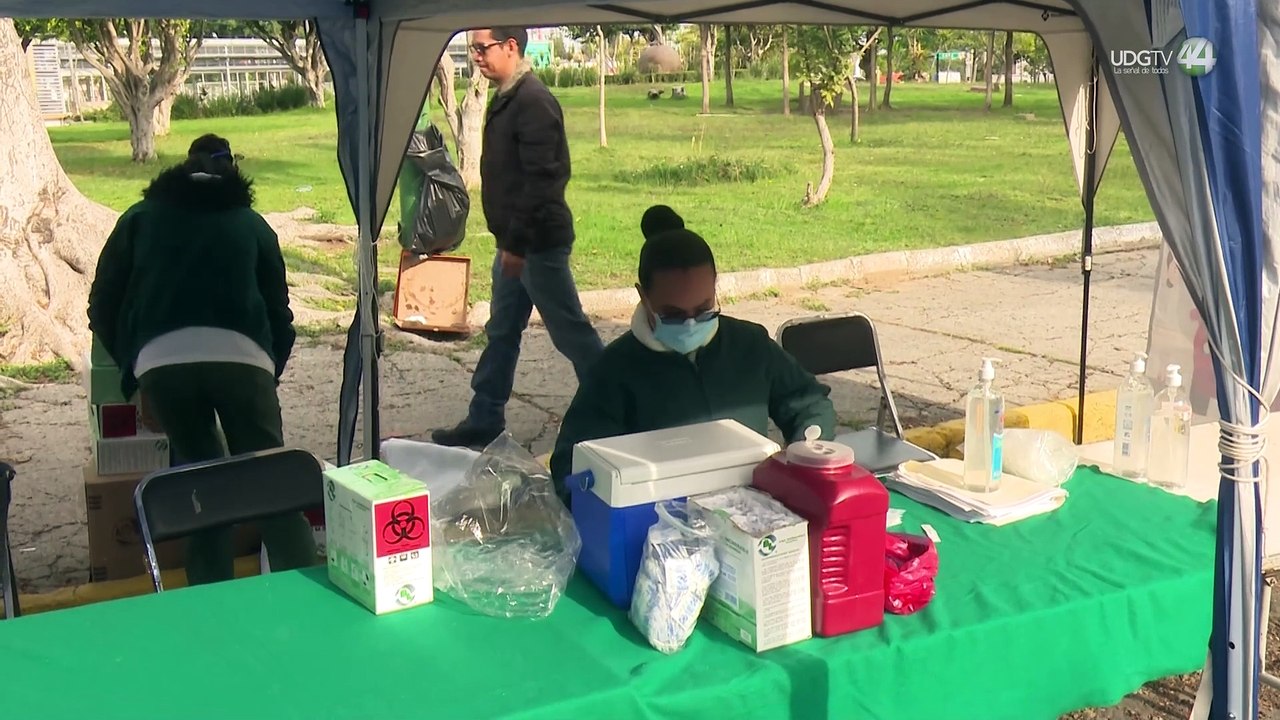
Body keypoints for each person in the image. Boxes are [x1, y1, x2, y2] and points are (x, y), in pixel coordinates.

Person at [87, 134, 317, 585]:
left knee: (201, 482)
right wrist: (268, 372)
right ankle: (303, 589)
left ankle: (208, 600)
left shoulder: (137, 218)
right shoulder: (252, 224)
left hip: (161, 363)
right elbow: (279, 313)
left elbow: (102, 306)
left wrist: (136, 373)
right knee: (270, 482)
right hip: (244, 359)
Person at [549, 207, 837, 489]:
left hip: (753, 507)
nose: (690, 324)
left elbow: (810, 403)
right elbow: (570, 466)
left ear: (715, 286)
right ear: (643, 296)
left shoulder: (750, 345)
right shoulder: (614, 371)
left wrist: (803, 453)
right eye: (673, 314)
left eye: (703, 310)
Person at [432, 26, 604, 450]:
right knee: (502, 331)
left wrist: (516, 245)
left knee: (571, 333)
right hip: (514, 243)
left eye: (481, 48)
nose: (475, 56)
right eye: (472, 49)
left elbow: (544, 182)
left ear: (511, 46)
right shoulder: (509, 94)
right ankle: (484, 417)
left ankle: (615, 406)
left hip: (536, 245)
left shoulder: (533, 101)